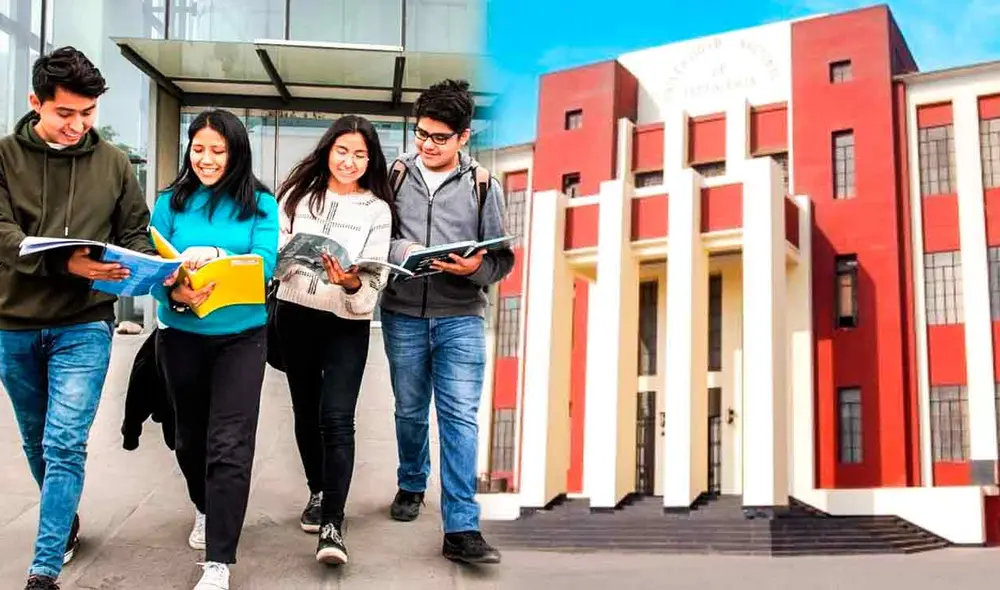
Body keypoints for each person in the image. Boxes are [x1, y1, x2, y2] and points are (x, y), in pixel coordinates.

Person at [0, 47, 156, 590]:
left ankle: (42, 571)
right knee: (36, 436)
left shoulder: (112, 162)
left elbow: (133, 229)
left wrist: (141, 265)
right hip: (13, 323)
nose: (77, 125)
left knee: (64, 442)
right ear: (35, 103)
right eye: (65, 113)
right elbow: (2, 236)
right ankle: (63, 520)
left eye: (87, 113)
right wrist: (62, 260)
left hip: (85, 322)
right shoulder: (3, 158)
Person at [379, 79, 513, 564]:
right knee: (410, 411)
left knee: (460, 418)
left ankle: (461, 526)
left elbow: (502, 259)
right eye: (421, 135)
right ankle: (412, 482)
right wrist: (403, 250)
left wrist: (474, 268)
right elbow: (378, 237)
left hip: (461, 318)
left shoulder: (483, 186)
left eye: (439, 137)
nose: (427, 146)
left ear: (464, 137)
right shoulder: (392, 176)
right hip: (402, 314)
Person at [150, 109, 278, 590]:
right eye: (198, 149)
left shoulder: (261, 204)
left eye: (217, 151)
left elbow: (266, 264)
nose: (206, 159)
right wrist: (173, 289)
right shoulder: (170, 201)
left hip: (242, 338)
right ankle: (204, 507)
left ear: (236, 153)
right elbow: (152, 264)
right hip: (180, 336)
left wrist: (224, 259)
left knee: (230, 445)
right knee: (189, 441)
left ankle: (219, 562)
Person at [272, 114, 394, 565]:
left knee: (337, 417)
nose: (350, 160)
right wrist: (284, 262)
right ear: (327, 150)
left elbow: (374, 278)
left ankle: (333, 524)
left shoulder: (377, 210)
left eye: (360, 154)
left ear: (370, 160)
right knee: (306, 410)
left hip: (346, 323)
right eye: (342, 150)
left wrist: (348, 282)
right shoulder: (296, 195)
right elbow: (274, 255)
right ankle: (318, 492)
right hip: (294, 315)